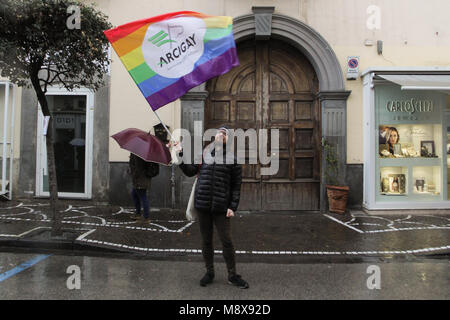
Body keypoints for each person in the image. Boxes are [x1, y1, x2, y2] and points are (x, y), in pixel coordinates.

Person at [174, 126, 249, 289]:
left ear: (228, 140)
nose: (221, 136)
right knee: (206, 241)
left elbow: (236, 186)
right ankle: (209, 272)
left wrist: (232, 207)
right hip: (203, 205)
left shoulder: (233, 159)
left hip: (222, 208)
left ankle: (232, 274)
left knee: (226, 241)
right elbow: (189, 170)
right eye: (218, 133)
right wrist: (180, 153)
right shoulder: (204, 155)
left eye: (224, 134)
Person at [128, 153, 159, 224]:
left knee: (143, 197)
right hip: (141, 178)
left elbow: (138, 167)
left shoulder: (139, 153)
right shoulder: (139, 153)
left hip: (140, 179)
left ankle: (146, 217)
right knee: (134, 194)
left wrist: (132, 160)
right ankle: (138, 214)